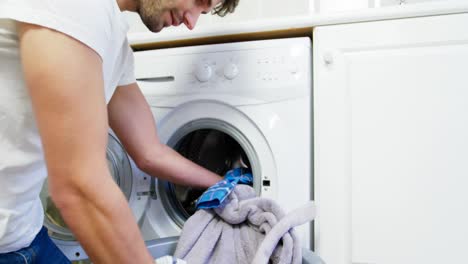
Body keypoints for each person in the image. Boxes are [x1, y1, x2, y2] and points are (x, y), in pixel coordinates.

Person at [0, 0, 239, 263]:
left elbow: (150, 152)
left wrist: (228, 184)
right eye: (199, 2)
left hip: (23, 234)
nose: (191, 22)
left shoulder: (112, 41)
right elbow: (79, 187)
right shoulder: (75, 7)